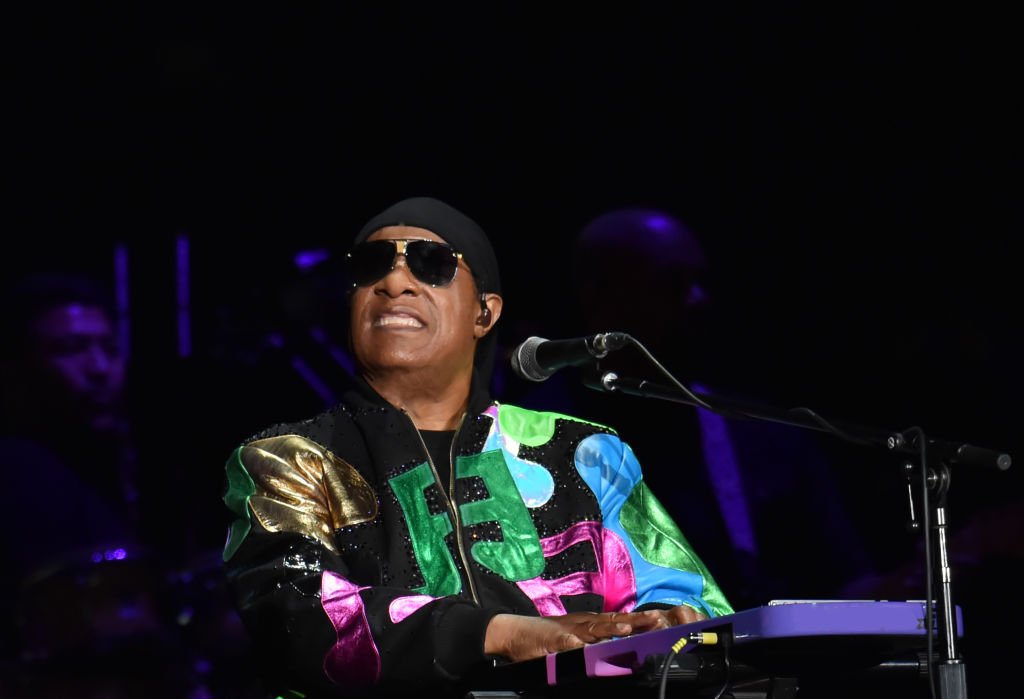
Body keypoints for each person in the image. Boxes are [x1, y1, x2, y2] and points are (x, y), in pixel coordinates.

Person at [220, 196, 734, 699]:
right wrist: (503, 633)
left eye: (432, 264)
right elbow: (301, 620)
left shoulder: (584, 451)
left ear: (484, 314)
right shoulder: (288, 458)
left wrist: (668, 626)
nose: (395, 281)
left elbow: (688, 606)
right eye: (371, 266)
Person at [501, 207, 875, 610]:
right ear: (600, 295)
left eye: (699, 281)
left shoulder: (760, 432)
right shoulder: (524, 439)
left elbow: (844, 583)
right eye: (673, 282)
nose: (698, 299)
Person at [0, 271, 208, 697]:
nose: (99, 368)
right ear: (14, 371)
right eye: (70, 350)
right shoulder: (18, 468)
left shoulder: (132, 465)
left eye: (108, 348)